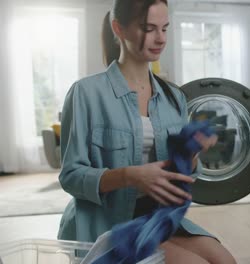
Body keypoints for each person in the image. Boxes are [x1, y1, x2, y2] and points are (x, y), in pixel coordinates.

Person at [57, 0, 236, 263]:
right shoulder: (86, 93)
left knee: (225, 261)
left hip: (158, 219)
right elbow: (71, 176)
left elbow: (179, 175)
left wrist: (192, 153)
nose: (160, 38)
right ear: (119, 29)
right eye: (148, 28)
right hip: (109, 223)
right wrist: (131, 176)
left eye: (164, 28)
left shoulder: (173, 97)